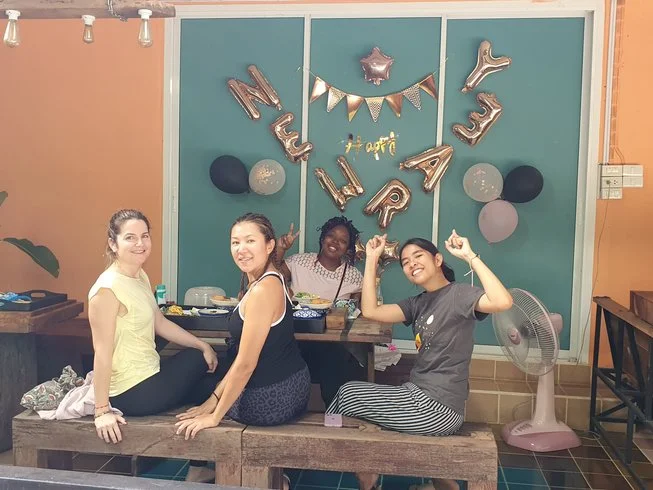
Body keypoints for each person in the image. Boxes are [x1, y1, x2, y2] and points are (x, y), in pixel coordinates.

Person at [326, 230, 513, 490]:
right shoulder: (418, 303)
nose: (411, 263)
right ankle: (439, 482)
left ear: (437, 260)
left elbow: (502, 302)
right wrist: (371, 259)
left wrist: (470, 256)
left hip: (437, 408)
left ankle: (356, 469)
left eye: (418, 256)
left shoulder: (459, 294)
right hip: (417, 396)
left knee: (347, 394)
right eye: (405, 262)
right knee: (358, 404)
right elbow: (370, 310)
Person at [175, 213, 311, 482]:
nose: (241, 249)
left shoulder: (263, 290)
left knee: (195, 387)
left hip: (270, 400)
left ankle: (206, 468)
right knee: (208, 390)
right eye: (235, 242)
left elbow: (246, 364)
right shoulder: (268, 280)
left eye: (250, 241)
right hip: (292, 385)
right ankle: (204, 468)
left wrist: (214, 415)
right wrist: (213, 400)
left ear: (269, 245)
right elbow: (242, 360)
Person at [89, 209, 219, 448]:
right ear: (113, 243)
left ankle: (199, 464)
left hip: (152, 374)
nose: (140, 244)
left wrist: (203, 344)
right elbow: (102, 352)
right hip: (132, 392)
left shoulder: (139, 276)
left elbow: (159, 322)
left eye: (145, 236)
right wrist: (102, 410)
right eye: (130, 237)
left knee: (212, 386)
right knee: (195, 359)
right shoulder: (107, 289)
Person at [276, 216, 365, 406]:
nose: (335, 242)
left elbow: (359, 311)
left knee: (338, 360)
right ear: (323, 237)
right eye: (331, 236)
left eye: (343, 241)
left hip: (328, 342)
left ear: (348, 249)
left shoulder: (353, 276)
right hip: (294, 336)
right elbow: (271, 276)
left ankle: (334, 413)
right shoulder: (299, 261)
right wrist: (281, 249)